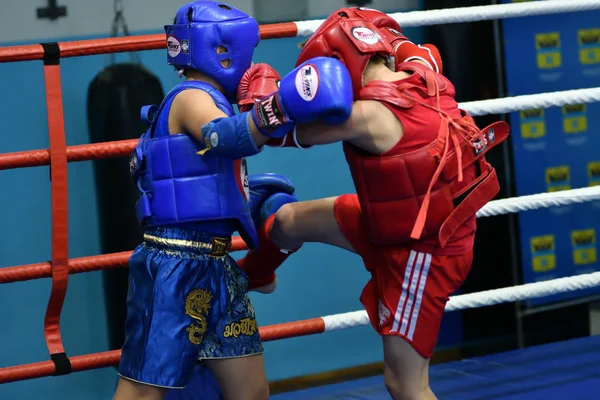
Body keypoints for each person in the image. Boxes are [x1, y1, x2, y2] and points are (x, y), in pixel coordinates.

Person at [235, 7, 510, 400]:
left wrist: (259, 102)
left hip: (422, 253)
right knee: (288, 221)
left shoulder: (369, 116)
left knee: (405, 384)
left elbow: (276, 134)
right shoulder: (425, 73)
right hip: (386, 221)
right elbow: (400, 37)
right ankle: (259, 276)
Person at [113, 1, 354, 399]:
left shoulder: (211, 97)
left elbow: (211, 177)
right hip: (174, 265)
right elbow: (223, 137)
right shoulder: (190, 96)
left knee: (252, 390)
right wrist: (281, 106)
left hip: (216, 266)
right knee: (142, 392)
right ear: (223, 50)